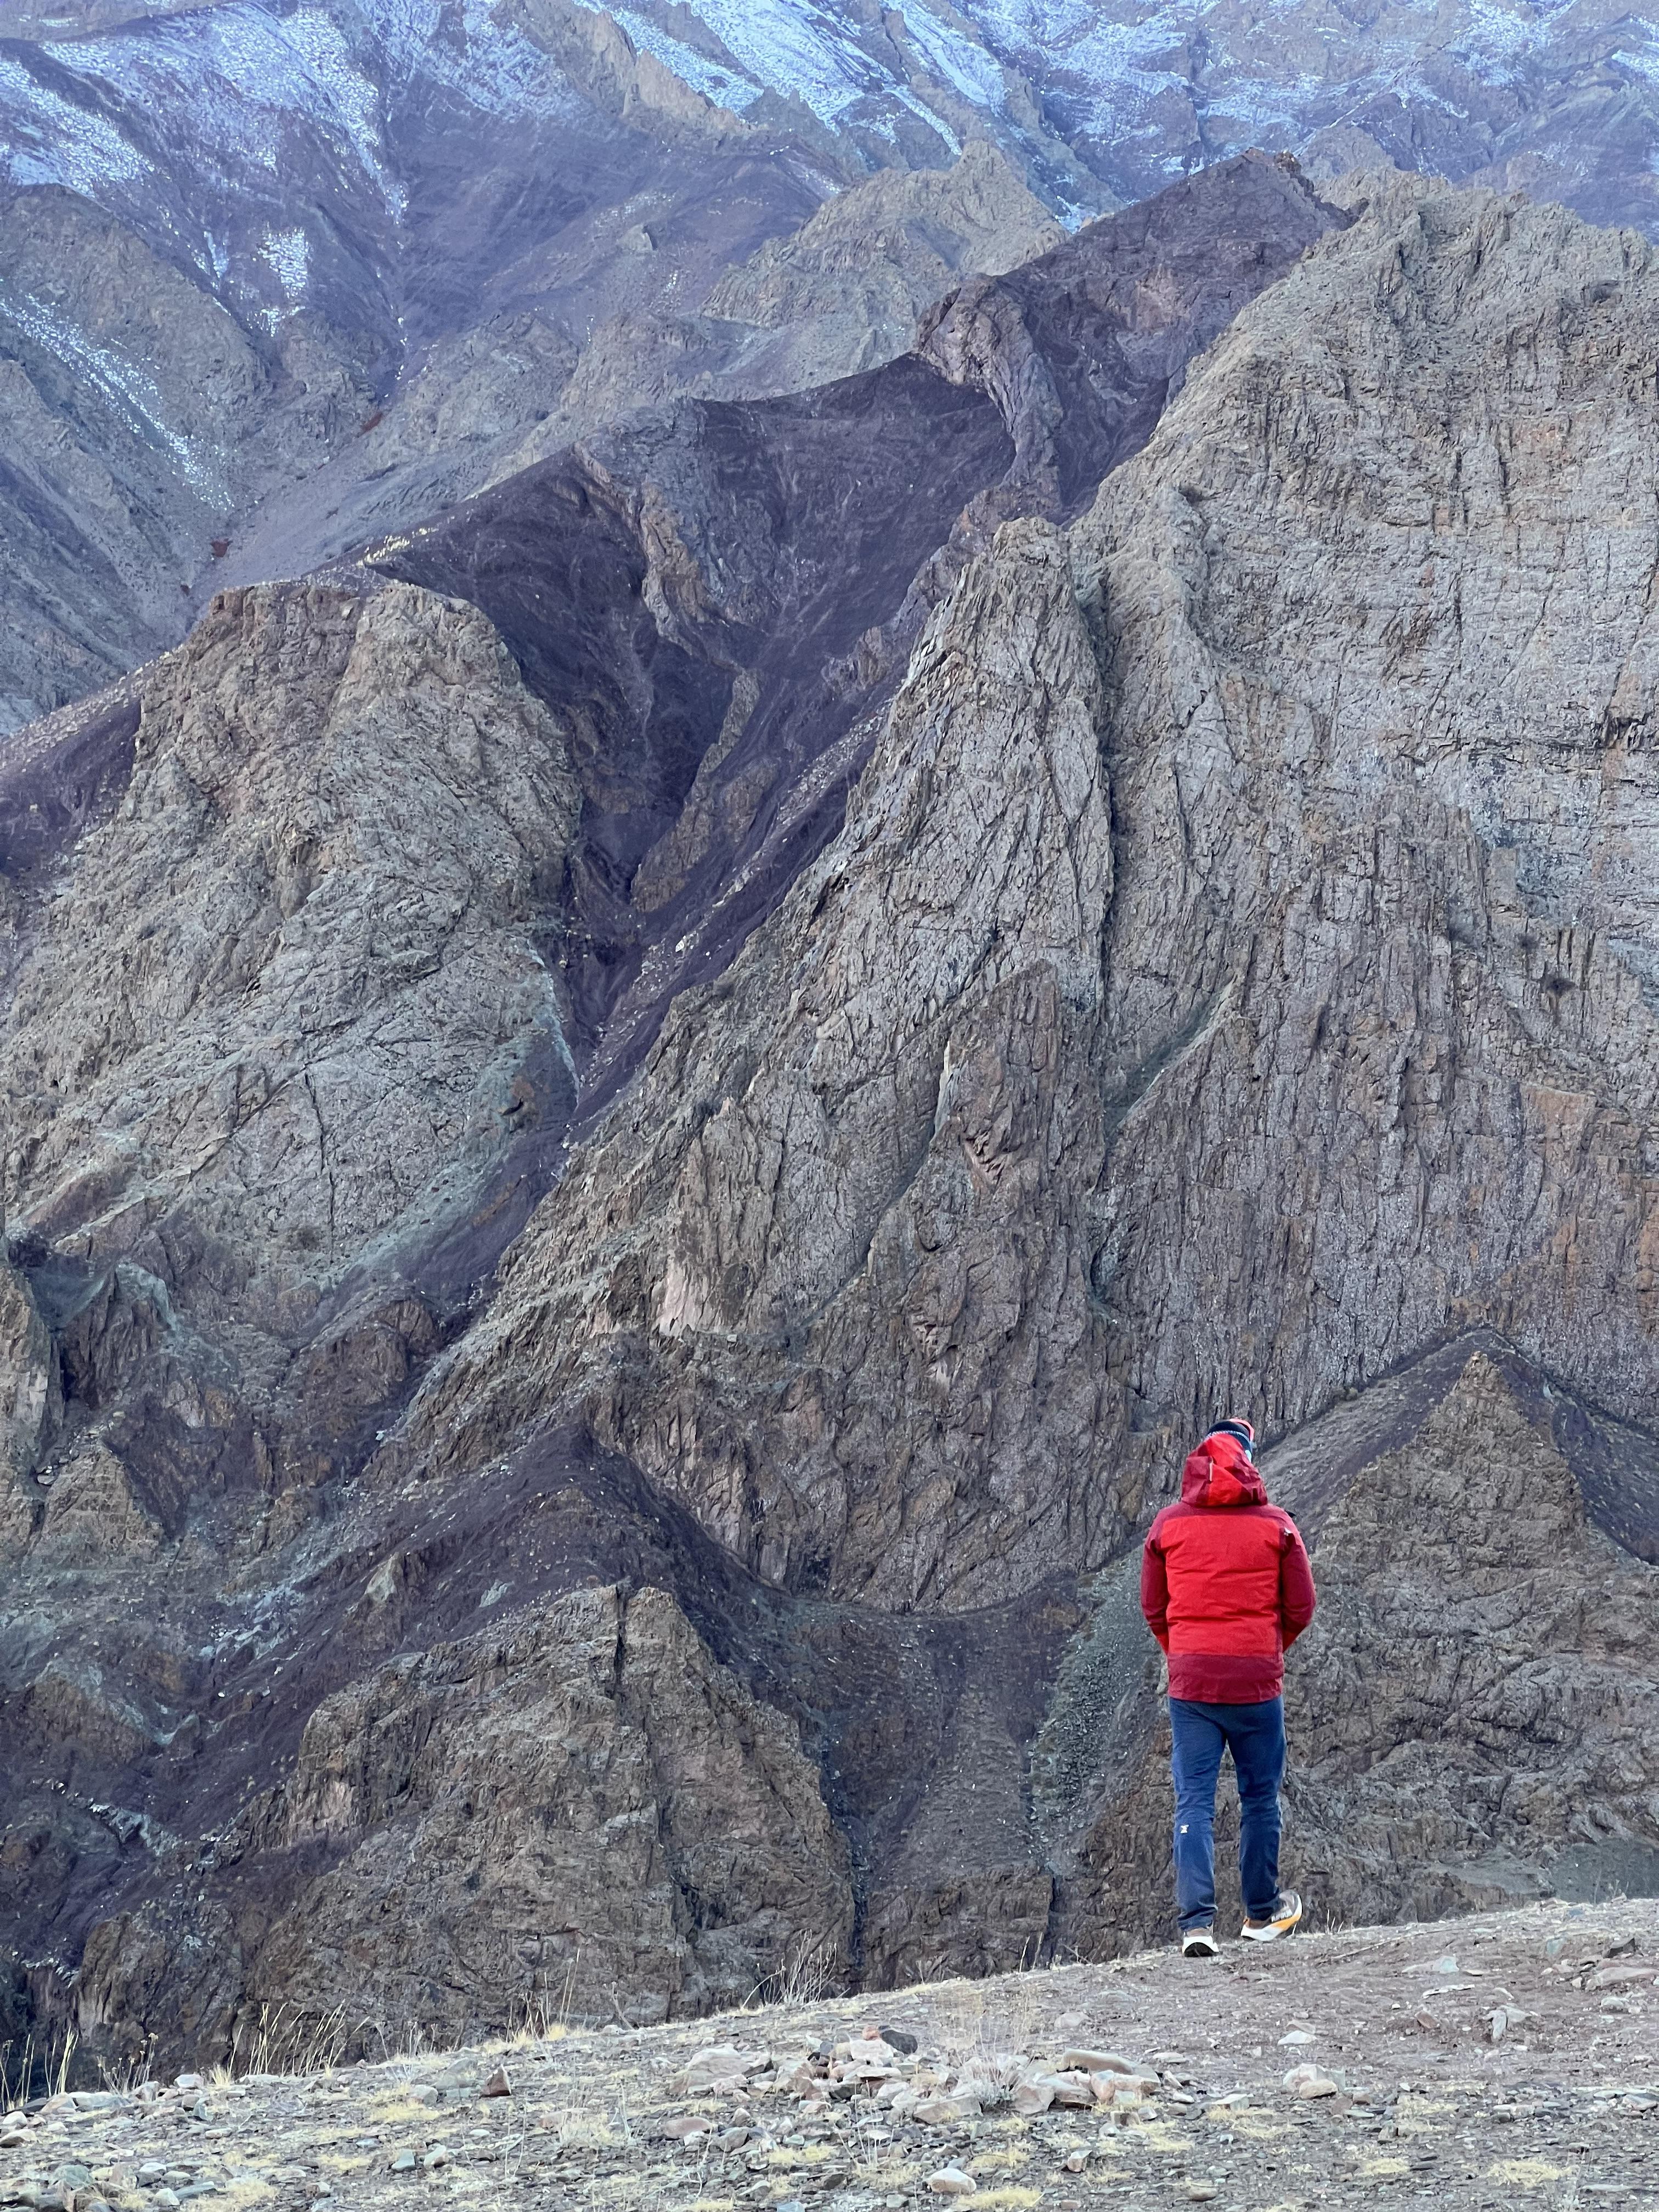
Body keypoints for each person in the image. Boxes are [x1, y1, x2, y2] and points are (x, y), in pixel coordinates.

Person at [1139, 1415, 1316, 1957]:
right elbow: (1301, 1607)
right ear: (1249, 1461)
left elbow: (1153, 1607)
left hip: (1192, 1685)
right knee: (1259, 1797)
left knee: (1193, 1799)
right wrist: (1264, 1652)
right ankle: (1261, 1914)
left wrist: (1184, 1655)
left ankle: (1196, 1927)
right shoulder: (1277, 1526)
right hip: (1256, 1684)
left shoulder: (1167, 1527)